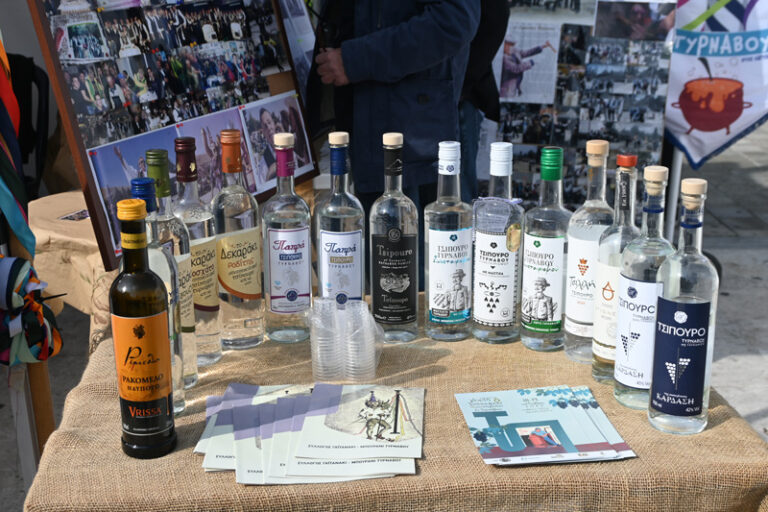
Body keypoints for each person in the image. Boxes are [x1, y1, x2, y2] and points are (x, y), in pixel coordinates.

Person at [306, 0, 481, 289]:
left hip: (410, 134)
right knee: (383, 282)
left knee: (409, 285)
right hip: (363, 123)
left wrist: (355, 60)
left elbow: (454, 22)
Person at [458, 0, 509, 203]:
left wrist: (460, 85)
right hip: (455, 95)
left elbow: (497, 15)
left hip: (460, 98)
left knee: (458, 192)